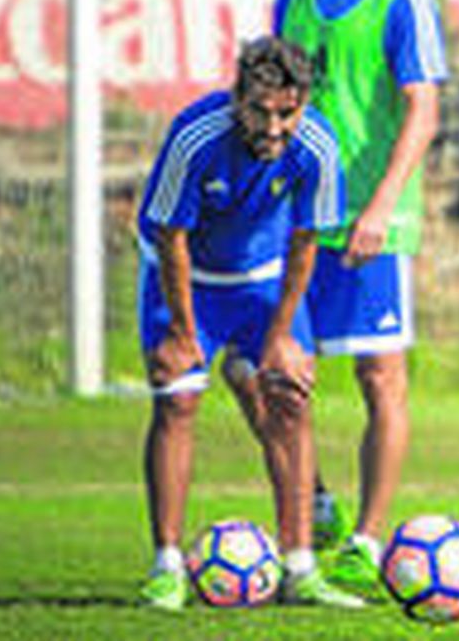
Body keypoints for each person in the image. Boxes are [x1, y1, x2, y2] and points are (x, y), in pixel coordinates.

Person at [269, 0, 448, 595]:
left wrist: (380, 204)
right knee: (270, 373)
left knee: (380, 377)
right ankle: (314, 503)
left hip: (373, 225)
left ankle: (366, 542)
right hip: (296, 223)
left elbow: (423, 110)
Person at [136, 37, 362, 611]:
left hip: (262, 278)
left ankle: (300, 569)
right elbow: (169, 235)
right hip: (184, 276)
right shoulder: (195, 136)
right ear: (237, 98)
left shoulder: (316, 145)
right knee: (177, 400)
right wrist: (183, 332)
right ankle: (167, 566)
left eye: (287, 113)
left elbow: (306, 242)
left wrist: (281, 336)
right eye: (260, 111)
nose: (274, 127)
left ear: (303, 103)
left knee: (290, 399)